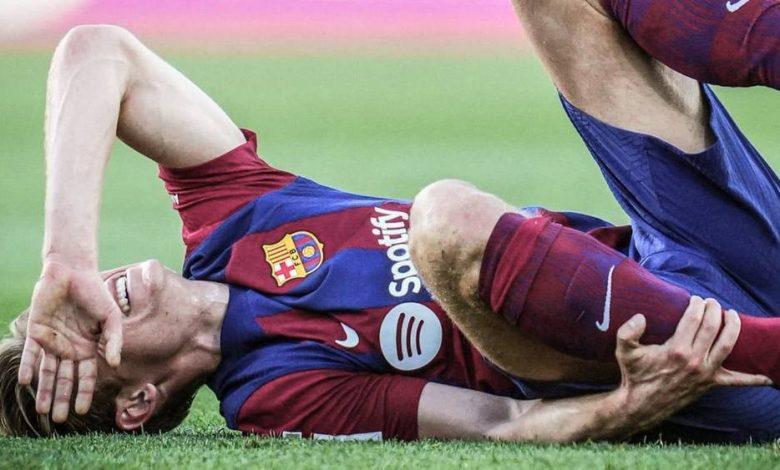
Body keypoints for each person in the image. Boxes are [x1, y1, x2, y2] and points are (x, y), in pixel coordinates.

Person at [2, 0, 779, 441]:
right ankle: (763, 348)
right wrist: (626, 407)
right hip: (688, 367)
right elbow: (498, 420)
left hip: (686, 252)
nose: (80, 307)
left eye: (55, 314)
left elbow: (99, 50)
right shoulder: (271, 394)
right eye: (70, 343)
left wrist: (64, 255)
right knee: (444, 219)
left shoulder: (229, 218)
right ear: (137, 402)